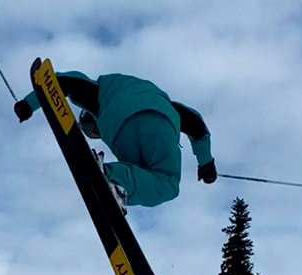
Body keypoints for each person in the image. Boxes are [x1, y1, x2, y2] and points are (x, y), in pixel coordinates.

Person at [14, 70, 216, 213]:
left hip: (120, 127)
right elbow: (196, 124)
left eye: (94, 131)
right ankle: (116, 180)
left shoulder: (101, 95)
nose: (97, 134)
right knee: (157, 180)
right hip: (161, 123)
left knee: (164, 182)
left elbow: (65, 81)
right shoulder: (164, 102)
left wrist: (29, 104)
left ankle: (114, 178)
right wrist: (206, 164)